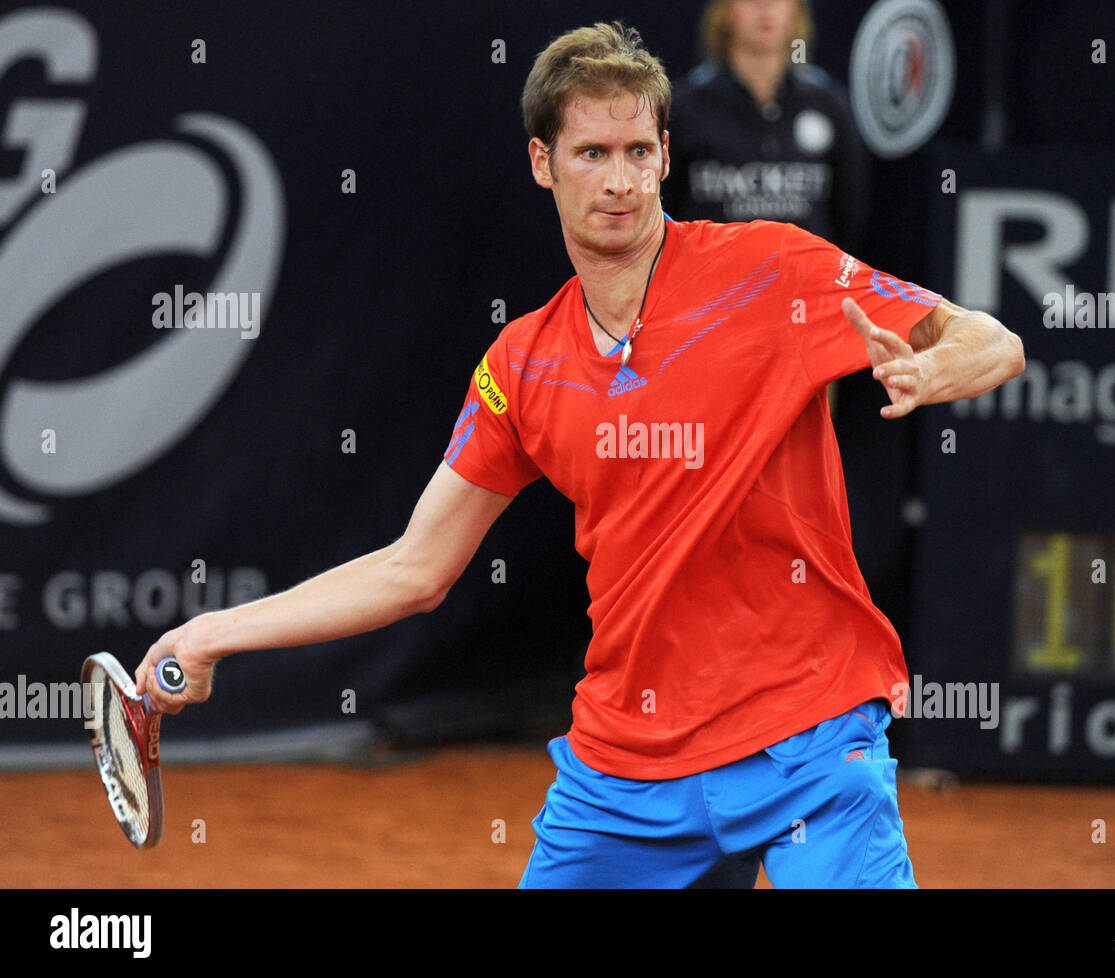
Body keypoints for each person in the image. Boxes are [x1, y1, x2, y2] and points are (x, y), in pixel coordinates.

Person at [135, 21, 1024, 889]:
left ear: (666, 157)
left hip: (810, 734)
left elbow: (991, 337)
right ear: (542, 164)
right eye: (592, 154)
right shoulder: (518, 366)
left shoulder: (772, 271)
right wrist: (214, 632)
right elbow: (414, 568)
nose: (620, 182)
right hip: (630, 768)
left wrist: (944, 362)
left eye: (639, 151)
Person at [661, 0, 870, 417]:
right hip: (709, 326)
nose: (764, 8)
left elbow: (852, 218)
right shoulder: (686, 107)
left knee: (803, 470)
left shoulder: (827, 103)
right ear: (723, 12)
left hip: (808, 327)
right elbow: (661, 218)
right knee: (711, 466)